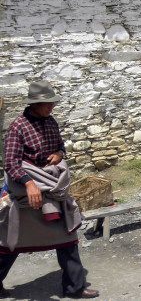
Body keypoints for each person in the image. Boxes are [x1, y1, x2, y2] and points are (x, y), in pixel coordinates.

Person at [0, 81, 99, 298]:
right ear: (34, 104)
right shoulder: (18, 127)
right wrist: (29, 183)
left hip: (52, 191)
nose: (51, 107)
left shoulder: (51, 122)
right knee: (10, 243)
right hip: (28, 195)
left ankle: (75, 287)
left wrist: (59, 154)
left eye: (52, 103)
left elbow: (60, 147)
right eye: (47, 104)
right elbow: (11, 163)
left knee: (67, 237)